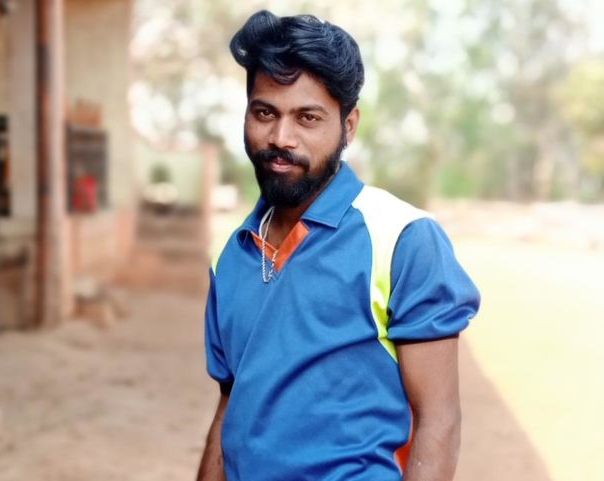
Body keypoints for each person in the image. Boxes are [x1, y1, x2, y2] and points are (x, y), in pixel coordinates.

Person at [198, 10, 480, 481]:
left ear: (349, 125)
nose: (280, 138)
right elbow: (231, 407)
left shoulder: (404, 239)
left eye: (307, 118)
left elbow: (439, 420)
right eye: (265, 113)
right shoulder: (230, 255)